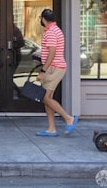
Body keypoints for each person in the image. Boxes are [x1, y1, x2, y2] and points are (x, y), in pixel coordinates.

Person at [36, 9, 79, 137]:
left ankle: (68, 118)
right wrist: (40, 57)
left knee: (45, 97)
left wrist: (43, 70)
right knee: (47, 98)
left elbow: (52, 52)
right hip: (55, 66)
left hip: (53, 68)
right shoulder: (56, 30)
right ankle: (51, 128)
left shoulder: (50, 32)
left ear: (43, 19)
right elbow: (52, 51)